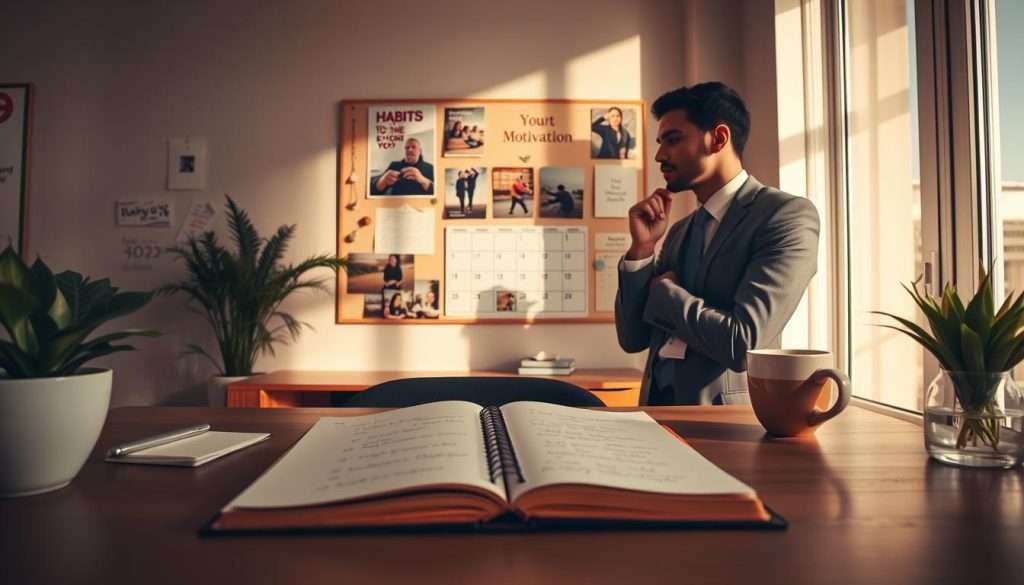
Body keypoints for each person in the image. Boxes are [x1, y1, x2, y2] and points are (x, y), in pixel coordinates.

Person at [615, 82, 820, 406]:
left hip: (723, 423)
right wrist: (641, 252)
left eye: (673, 139)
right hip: (655, 411)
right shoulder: (679, 231)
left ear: (719, 138)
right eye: (660, 142)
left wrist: (663, 292)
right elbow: (632, 338)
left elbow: (743, 344)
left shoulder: (785, 216)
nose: (659, 155)